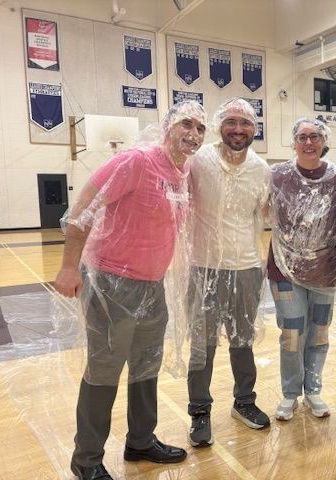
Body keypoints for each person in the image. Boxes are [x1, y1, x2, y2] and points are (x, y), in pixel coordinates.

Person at [54, 100, 207, 480]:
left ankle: (140, 440)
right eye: (186, 124)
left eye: (201, 128)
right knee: (104, 370)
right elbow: (82, 209)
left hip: (152, 286)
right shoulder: (136, 161)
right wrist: (68, 266)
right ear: (168, 126)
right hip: (111, 284)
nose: (193, 133)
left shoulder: (182, 172)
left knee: (147, 363)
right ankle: (86, 459)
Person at [186, 98, 271, 447]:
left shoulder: (261, 168)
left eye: (246, 123)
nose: (238, 129)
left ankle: (244, 401)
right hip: (203, 267)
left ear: (254, 129)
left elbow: (266, 214)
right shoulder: (198, 160)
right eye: (232, 122)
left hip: (246, 266)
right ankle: (199, 410)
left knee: (242, 340)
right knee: (202, 345)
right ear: (220, 126)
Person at [267, 118, 336, 421]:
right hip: (284, 269)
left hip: (324, 271)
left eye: (315, 137)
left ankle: (313, 391)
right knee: (292, 333)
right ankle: (290, 394)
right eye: (302, 137)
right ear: (294, 142)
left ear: (324, 141)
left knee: (319, 334)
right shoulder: (278, 175)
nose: (308, 142)